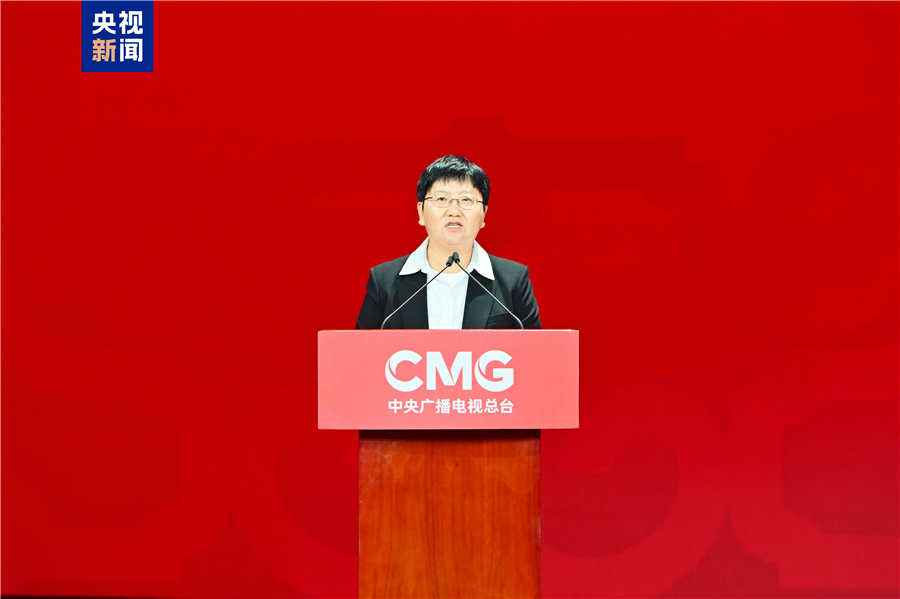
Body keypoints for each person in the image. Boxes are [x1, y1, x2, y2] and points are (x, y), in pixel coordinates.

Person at [356, 155, 541, 329]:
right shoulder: (384, 281)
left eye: (466, 199)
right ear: (421, 211)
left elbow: (534, 349)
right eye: (442, 199)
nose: (454, 211)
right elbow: (362, 349)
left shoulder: (513, 281)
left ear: (484, 213)